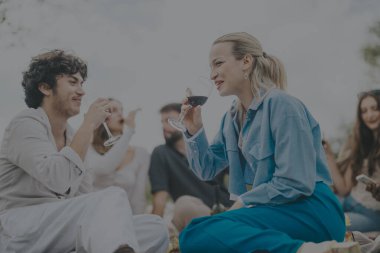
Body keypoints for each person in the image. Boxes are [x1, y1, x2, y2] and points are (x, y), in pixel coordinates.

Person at [178, 32, 359, 253]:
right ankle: (302, 249)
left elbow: (295, 182)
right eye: (210, 67)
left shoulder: (282, 105)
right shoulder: (231, 119)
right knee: (194, 233)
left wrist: (243, 203)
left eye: (218, 63)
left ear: (246, 61)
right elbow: (206, 169)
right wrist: (194, 130)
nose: (212, 74)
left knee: (200, 232)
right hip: (272, 212)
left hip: (311, 209)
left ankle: (302, 250)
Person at [0, 50, 168, 253]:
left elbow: (86, 196)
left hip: (59, 228)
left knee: (154, 228)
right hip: (20, 227)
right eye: (72, 82)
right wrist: (88, 125)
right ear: (45, 87)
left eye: (81, 84)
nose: (81, 91)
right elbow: (57, 179)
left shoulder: (72, 137)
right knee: (111, 196)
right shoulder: (25, 123)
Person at [149, 103, 232, 233]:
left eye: (169, 120)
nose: (164, 126)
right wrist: (153, 233)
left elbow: (240, 173)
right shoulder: (161, 153)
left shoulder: (205, 149)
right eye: (162, 122)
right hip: (197, 215)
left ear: (183, 119)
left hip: (229, 210)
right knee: (185, 204)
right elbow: (160, 197)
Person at [323, 89, 380, 232]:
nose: (370, 115)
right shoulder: (359, 144)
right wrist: (329, 155)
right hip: (347, 201)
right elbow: (344, 189)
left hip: (370, 215)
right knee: (312, 212)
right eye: (364, 111)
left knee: (328, 225)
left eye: (375, 108)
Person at [87, 98, 150, 215]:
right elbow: (103, 168)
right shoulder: (89, 148)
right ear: (102, 118)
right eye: (113, 110)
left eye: (121, 110)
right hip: (95, 213)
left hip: (124, 216)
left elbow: (138, 196)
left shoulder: (140, 153)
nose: (120, 113)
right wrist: (129, 131)